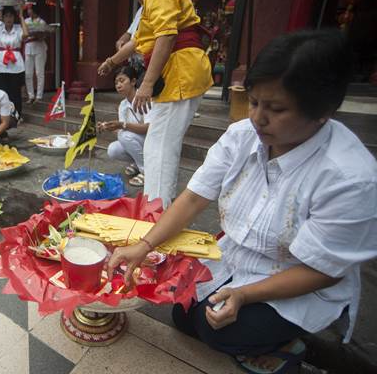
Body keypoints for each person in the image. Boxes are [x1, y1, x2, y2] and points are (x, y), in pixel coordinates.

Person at [107, 30, 377, 374]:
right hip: (238, 257)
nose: (257, 118)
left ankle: (290, 349)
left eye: (276, 108)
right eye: (254, 102)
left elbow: (322, 272)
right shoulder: (241, 136)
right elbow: (192, 198)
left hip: (297, 278)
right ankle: (255, 335)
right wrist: (143, 245)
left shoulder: (349, 177)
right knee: (183, 314)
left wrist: (245, 295)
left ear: (323, 111)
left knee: (218, 330)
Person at [98, 0, 213, 208]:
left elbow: (167, 35)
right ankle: (159, 204)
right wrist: (111, 61)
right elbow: (136, 42)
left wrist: (147, 83)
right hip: (176, 74)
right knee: (160, 144)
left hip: (180, 72)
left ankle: (155, 210)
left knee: (159, 146)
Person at [97, 66, 148, 187]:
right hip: (138, 141)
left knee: (125, 135)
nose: (118, 85)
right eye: (116, 83)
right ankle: (137, 162)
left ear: (133, 81)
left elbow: (149, 127)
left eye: (122, 80)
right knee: (112, 150)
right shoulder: (123, 105)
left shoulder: (144, 99)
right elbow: (121, 131)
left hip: (151, 140)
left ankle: (146, 171)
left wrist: (122, 125)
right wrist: (109, 127)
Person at [24, 4, 48, 104]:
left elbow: (43, 36)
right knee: (28, 73)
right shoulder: (26, 21)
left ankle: (39, 96)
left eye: (30, 9)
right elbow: (23, 35)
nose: (28, 10)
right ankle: (30, 95)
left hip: (39, 48)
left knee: (39, 73)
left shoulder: (41, 22)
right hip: (28, 47)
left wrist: (38, 34)